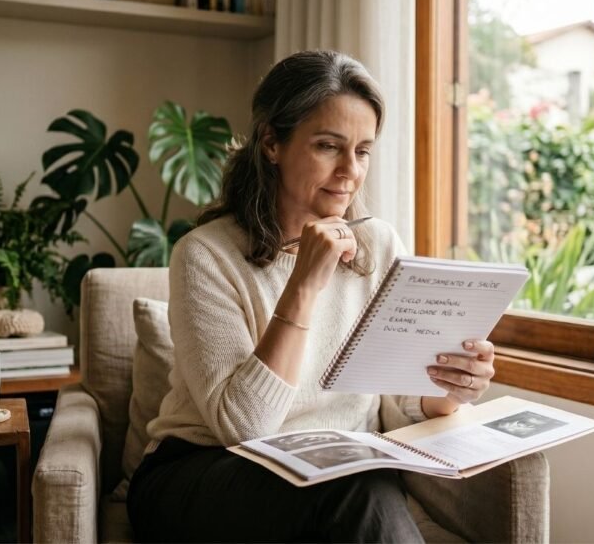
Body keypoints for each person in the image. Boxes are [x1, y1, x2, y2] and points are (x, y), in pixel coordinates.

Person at [127, 49, 497, 543]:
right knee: (359, 490)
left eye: (362, 151)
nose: (350, 170)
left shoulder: (379, 245)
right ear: (271, 143)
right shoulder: (204, 255)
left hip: (337, 472)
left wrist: (448, 390)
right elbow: (243, 427)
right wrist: (304, 284)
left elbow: (399, 405)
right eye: (329, 146)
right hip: (205, 471)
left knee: (365, 485)